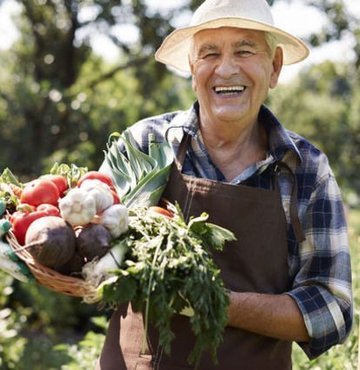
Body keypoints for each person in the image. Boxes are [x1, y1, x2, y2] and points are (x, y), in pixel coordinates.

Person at [96, 0, 353, 369]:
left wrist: (211, 300)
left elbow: (332, 308)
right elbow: (91, 245)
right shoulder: (145, 146)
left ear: (274, 67)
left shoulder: (306, 170)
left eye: (245, 50)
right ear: (192, 67)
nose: (226, 68)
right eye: (209, 53)